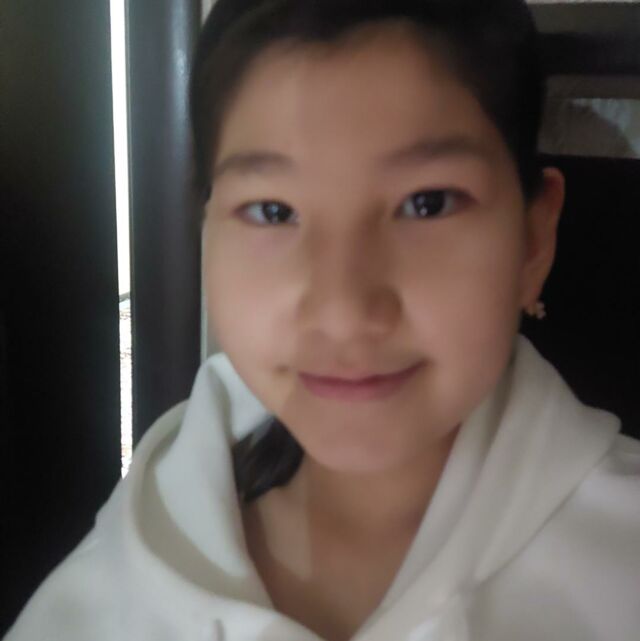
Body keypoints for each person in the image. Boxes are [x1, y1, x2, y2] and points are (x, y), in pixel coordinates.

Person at [5, 1, 639, 640]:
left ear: (533, 241)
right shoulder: (106, 590)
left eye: (427, 203)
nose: (342, 311)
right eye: (274, 211)